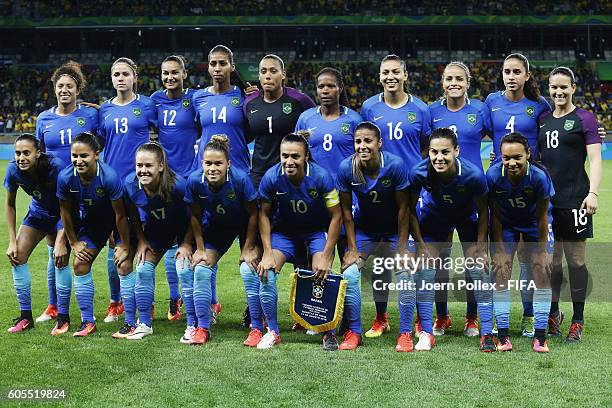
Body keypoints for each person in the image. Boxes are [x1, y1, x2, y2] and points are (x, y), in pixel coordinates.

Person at [360, 54, 431, 337]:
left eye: (395, 72)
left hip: (413, 192)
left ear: (405, 75)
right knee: (380, 259)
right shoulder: (369, 107)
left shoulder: (421, 109)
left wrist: (414, 173)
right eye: (385, 72)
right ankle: (381, 316)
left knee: (414, 257)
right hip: (379, 191)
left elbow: (427, 147)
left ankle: (418, 316)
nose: (390, 77)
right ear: (380, 77)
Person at [410, 128, 493, 352]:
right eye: (434, 152)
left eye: (445, 152)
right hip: (436, 215)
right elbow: (408, 210)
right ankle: (432, 326)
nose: (439, 157)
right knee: (428, 268)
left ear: (456, 151)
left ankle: (474, 320)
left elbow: (485, 211)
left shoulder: (473, 175)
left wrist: (481, 247)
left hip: (468, 216)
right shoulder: (419, 172)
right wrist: (420, 244)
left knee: (476, 267)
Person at [485, 53, 551, 336]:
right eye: (506, 71)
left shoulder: (539, 104)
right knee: (501, 257)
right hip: (501, 185)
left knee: (529, 259)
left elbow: (555, 130)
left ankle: (529, 315)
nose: (511, 76)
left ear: (527, 76)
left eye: (516, 72)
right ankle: (497, 321)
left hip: (529, 184)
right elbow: (480, 131)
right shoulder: (491, 102)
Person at [257, 131, 342, 350]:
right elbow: (263, 215)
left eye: (295, 156)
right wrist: (267, 252)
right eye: (285, 156)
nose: (289, 161)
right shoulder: (271, 177)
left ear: (306, 157)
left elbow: (336, 215)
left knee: (322, 271)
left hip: (314, 232)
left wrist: (327, 255)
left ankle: (328, 332)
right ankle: (273, 332)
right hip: (284, 234)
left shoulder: (322, 177)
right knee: (266, 271)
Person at [427, 61, 492, 337]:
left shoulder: (480, 110)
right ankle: (441, 317)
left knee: (473, 260)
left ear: (468, 82)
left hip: (471, 199)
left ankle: (472, 318)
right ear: (442, 82)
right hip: (439, 199)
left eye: (459, 79)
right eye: (449, 78)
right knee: (438, 261)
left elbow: (501, 134)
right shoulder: (432, 112)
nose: (454, 83)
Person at [336, 121, 414, 351]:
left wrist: (401, 247)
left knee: (405, 271)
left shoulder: (395, 166)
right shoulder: (346, 168)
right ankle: (354, 332)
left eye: (368, 141)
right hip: (365, 231)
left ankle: (406, 333)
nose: (362, 146)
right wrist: (351, 248)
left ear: (379, 143)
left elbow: (404, 210)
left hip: (393, 231)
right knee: (350, 273)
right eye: (358, 141)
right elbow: (346, 213)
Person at [538, 66, 602, 343]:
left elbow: (596, 160)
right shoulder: (542, 120)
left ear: (573, 88)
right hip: (548, 205)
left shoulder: (585, 119)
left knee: (576, 262)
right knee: (551, 263)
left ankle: (578, 320)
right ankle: (553, 314)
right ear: (549, 90)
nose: (559, 92)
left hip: (576, 200)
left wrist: (594, 193)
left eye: (564, 87)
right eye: (554, 87)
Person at [34, 61, 98, 323]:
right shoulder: (43, 119)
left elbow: (100, 133)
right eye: (60, 86)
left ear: (77, 89)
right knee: (53, 250)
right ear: (54, 88)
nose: (64, 90)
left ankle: (113, 303)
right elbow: (39, 154)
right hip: (52, 193)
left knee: (68, 246)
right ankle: (53, 306)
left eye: (69, 86)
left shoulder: (89, 116)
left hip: (80, 190)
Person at [184, 135, 260, 345]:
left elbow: (254, 214)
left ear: (228, 164)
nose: (213, 168)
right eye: (208, 163)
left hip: (246, 227)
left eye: (218, 163)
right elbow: (195, 217)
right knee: (200, 268)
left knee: (248, 268)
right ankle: (202, 327)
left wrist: (248, 247)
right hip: (218, 228)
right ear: (202, 164)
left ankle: (257, 326)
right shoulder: (194, 181)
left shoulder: (240, 180)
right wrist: (199, 248)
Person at [98, 57, 157, 324]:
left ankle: (149, 301)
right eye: (116, 74)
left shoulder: (147, 105)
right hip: (113, 184)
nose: (120, 78)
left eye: (125, 74)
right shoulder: (103, 110)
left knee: (146, 239)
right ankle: (116, 302)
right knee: (116, 242)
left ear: (135, 77)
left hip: (141, 182)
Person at [56, 132, 131, 337]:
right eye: (74, 156)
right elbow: (65, 213)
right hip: (91, 225)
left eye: (84, 156)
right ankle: (87, 321)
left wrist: (123, 243)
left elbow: (121, 215)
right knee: (80, 263)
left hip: (115, 222)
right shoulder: (65, 177)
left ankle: (132, 320)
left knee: (124, 264)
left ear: (96, 155)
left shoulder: (109, 177)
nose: (78, 161)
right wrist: (73, 242)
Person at [488, 132, 555, 352]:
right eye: (506, 158)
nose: (512, 163)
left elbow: (543, 216)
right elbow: (495, 215)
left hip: (535, 224)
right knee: (500, 271)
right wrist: (498, 250)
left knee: (541, 271)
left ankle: (540, 337)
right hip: (507, 223)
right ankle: (504, 336)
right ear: (500, 156)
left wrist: (543, 251)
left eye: (517, 157)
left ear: (528, 154)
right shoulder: (493, 175)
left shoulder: (538, 177)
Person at [122, 142, 192, 340]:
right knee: (143, 268)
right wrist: (142, 240)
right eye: (139, 166)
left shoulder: (178, 186)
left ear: (161, 166)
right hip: (157, 230)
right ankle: (144, 323)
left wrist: (186, 244)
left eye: (148, 166)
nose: (143, 170)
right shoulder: (130, 185)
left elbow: (195, 216)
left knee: (185, 270)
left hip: (185, 230)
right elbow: (132, 214)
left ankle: (193, 324)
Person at [150, 55, 200, 321]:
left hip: (189, 177)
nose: (169, 77)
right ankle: (173, 299)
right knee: (171, 242)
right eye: (165, 73)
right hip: (164, 179)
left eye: (174, 72)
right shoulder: (154, 101)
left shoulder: (195, 99)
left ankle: (209, 300)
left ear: (184, 74)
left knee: (192, 239)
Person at [5, 134, 70, 335]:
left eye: (26, 153)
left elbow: (67, 206)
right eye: (18, 153)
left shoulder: (55, 167)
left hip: (63, 214)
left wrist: (61, 240)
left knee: (60, 258)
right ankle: (26, 318)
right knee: (17, 256)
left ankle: (63, 319)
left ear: (38, 153)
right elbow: (9, 204)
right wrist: (11, 242)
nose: (21, 157)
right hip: (39, 214)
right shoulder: (13, 170)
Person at [244, 54, 315, 188]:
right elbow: (246, 134)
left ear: (283, 74)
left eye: (273, 71)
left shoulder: (300, 100)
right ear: (259, 76)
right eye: (263, 71)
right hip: (259, 174)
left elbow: (316, 122)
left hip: (290, 172)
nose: (268, 76)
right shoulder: (249, 102)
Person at [294, 67, 362, 181]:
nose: (325, 91)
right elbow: (295, 152)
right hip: (314, 186)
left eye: (331, 86)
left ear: (340, 89)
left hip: (347, 186)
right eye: (321, 87)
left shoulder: (355, 120)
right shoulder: (305, 118)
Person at [192, 45, 250, 174]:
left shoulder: (244, 96)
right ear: (208, 67)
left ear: (232, 67)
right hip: (206, 169)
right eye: (213, 64)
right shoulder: (197, 97)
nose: (217, 68)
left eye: (222, 63)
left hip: (238, 167)